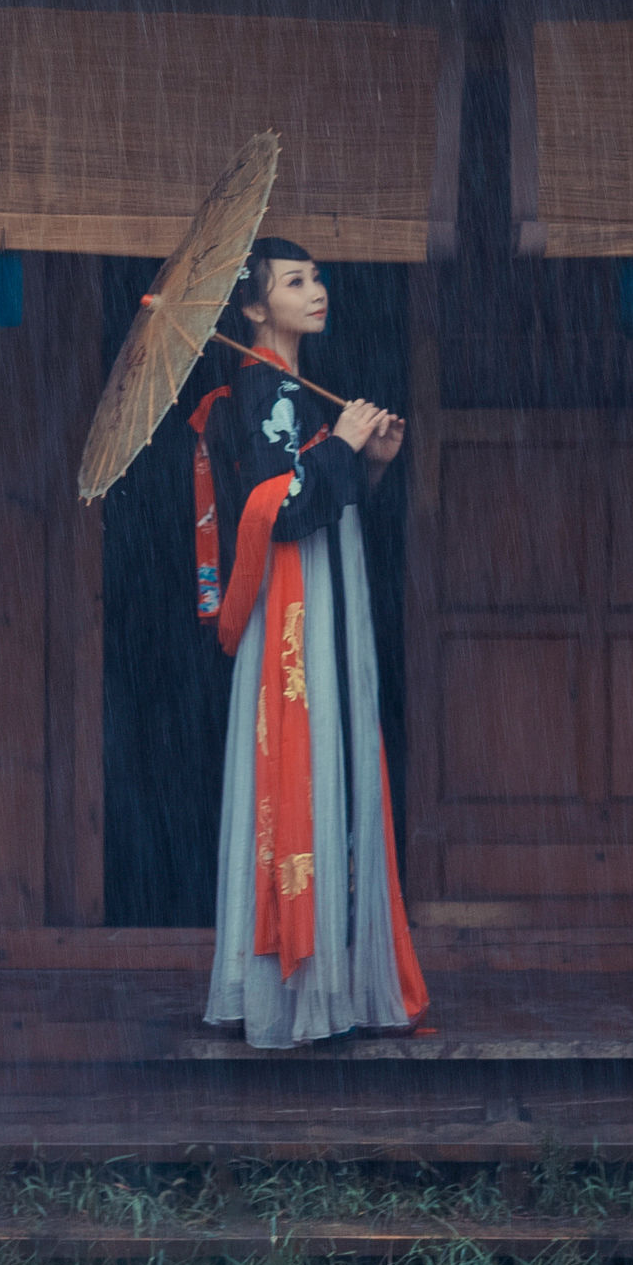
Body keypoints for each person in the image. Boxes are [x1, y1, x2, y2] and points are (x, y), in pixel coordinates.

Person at [187, 238, 430, 1048]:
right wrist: (340, 450)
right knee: (307, 757)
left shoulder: (282, 388)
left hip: (309, 593)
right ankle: (300, 991)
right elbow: (285, 510)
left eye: (318, 276)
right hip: (296, 606)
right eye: (294, 282)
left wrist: (369, 465)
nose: (316, 289)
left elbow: (310, 495)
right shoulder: (263, 387)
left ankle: (297, 985)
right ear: (255, 309)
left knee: (313, 760)